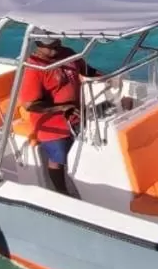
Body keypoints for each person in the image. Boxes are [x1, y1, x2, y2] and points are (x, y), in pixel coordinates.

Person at [18, 37, 112, 195]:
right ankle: (61, 192)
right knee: (58, 158)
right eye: (49, 47)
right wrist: (62, 108)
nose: (54, 50)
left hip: (76, 115)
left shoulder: (68, 53)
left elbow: (86, 70)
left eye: (57, 44)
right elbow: (30, 105)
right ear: (38, 45)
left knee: (84, 149)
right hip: (52, 124)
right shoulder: (34, 67)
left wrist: (107, 77)